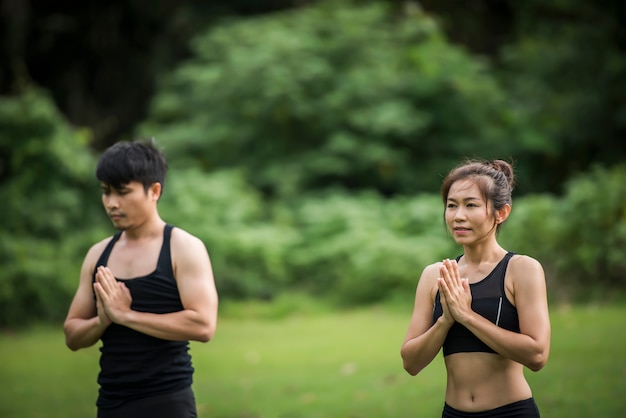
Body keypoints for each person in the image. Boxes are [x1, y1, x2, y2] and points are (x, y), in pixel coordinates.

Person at [63, 139, 219, 418]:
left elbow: (203, 325)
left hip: (168, 402)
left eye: (123, 192)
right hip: (111, 403)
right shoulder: (98, 254)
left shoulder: (182, 248)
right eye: (106, 192)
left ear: (154, 191)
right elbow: (72, 335)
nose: (112, 203)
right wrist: (102, 320)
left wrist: (126, 315)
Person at [400, 159, 550, 418]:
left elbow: (537, 355)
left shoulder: (521, 270)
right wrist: (445, 321)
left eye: (471, 205)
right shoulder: (435, 276)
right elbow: (410, 362)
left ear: (501, 213)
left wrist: (467, 316)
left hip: (511, 413)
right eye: (451, 205)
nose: (458, 216)